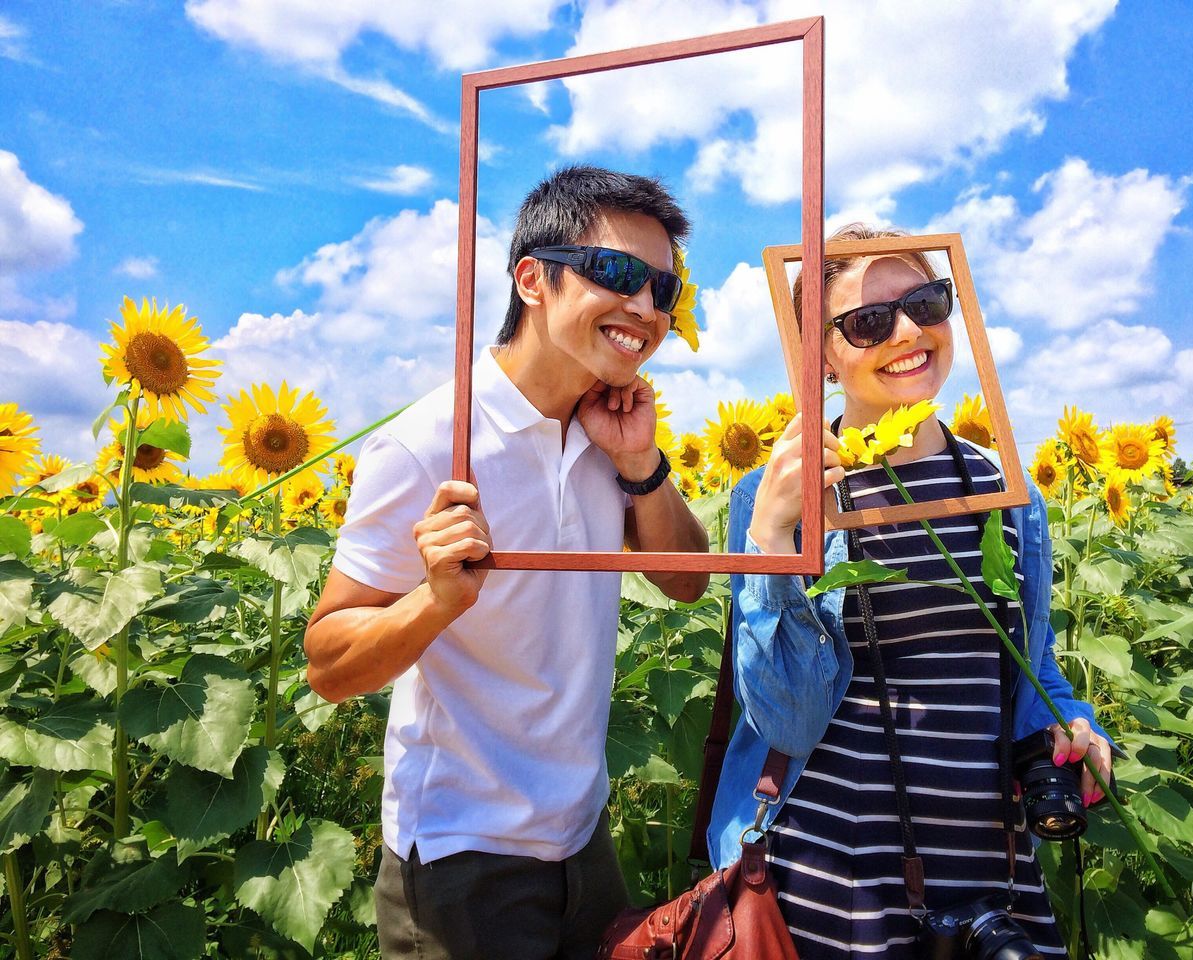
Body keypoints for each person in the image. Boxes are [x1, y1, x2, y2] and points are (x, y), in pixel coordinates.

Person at [304, 165, 710, 960]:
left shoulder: (607, 427)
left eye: (663, 290)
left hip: (583, 839)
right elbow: (328, 665)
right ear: (532, 278)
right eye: (616, 274)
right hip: (464, 857)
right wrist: (436, 602)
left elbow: (685, 580)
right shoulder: (430, 442)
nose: (645, 308)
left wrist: (641, 465)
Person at [706, 224, 1113, 958]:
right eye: (868, 321)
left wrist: (1071, 724)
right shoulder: (773, 498)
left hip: (994, 870)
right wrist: (772, 542)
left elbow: (1029, 665)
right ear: (819, 355)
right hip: (830, 873)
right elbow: (787, 722)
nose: (907, 332)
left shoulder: (1007, 492)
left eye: (927, 302)